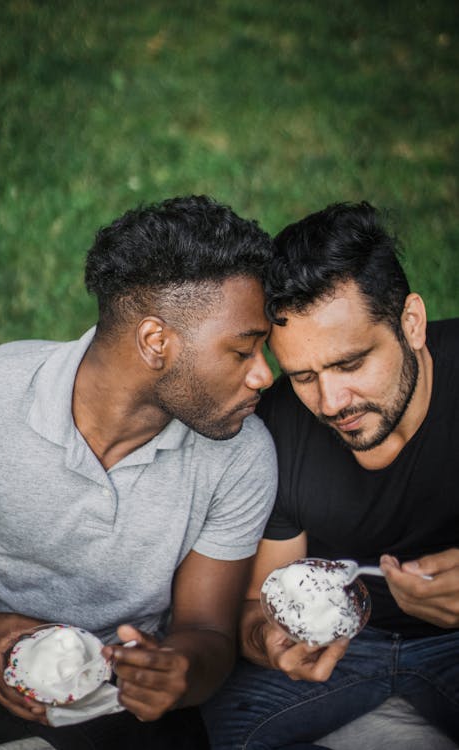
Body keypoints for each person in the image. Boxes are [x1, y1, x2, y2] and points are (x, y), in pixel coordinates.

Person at [0, 195, 279, 750]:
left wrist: (179, 672)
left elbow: (207, 633)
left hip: (127, 694)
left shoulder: (242, 452)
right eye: (243, 351)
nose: (263, 376)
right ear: (156, 341)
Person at [202, 201, 459, 749]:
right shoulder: (274, 429)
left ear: (411, 323)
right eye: (303, 376)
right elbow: (254, 606)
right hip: (345, 648)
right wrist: (267, 639)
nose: (331, 401)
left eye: (350, 363)